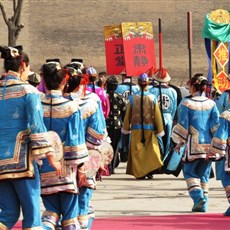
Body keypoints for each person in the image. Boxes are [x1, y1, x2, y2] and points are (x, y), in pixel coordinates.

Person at [0, 45, 61, 229]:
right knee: (32, 213)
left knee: (8, 213)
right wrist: (52, 157)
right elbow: (37, 127)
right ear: (23, 65)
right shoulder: (29, 91)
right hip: (22, 163)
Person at [39, 61, 89, 229]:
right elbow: (76, 141)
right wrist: (81, 168)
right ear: (63, 82)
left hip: (44, 167)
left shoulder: (38, 106)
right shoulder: (71, 107)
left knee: (50, 215)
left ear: (44, 81)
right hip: (66, 170)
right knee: (69, 218)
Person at [64, 64, 106, 229]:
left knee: (63, 203)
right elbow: (98, 134)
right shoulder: (93, 100)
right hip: (87, 155)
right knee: (84, 199)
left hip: (62, 159)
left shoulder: (54, 101)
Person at [172, 73, 219, 212]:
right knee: (204, 175)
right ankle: (203, 204)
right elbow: (215, 126)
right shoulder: (211, 104)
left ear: (193, 86)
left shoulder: (187, 104)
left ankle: (198, 198)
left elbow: (183, 126)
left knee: (190, 173)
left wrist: (179, 142)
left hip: (193, 145)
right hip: (208, 145)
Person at [122, 73, 164, 179]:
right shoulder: (152, 98)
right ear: (147, 83)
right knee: (150, 152)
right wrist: (159, 129)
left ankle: (139, 173)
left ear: (138, 83)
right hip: (149, 129)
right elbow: (158, 115)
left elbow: (128, 115)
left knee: (137, 152)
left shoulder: (132, 98)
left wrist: (126, 127)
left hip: (136, 129)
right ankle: (149, 171)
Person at [149, 68, 177, 169]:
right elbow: (173, 107)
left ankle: (157, 160)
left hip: (155, 118)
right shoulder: (173, 91)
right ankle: (164, 160)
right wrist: (171, 117)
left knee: (157, 140)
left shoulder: (152, 90)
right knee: (167, 140)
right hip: (168, 117)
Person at [105, 75, 129, 174]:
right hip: (117, 124)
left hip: (105, 125)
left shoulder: (102, 96)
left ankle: (106, 165)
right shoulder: (120, 98)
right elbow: (125, 112)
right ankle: (112, 166)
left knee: (105, 146)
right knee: (115, 146)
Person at [208, 108, 230, 216]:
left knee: (227, 180)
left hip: (229, 154)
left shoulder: (226, 115)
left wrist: (213, 152)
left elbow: (221, 136)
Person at [115, 71, 139, 163]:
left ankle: (122, 150)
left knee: (122, 132)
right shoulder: (136, 87)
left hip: (122, 113)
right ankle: (129, 151)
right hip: (134, 113)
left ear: (123, 76)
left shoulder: (119, 87)